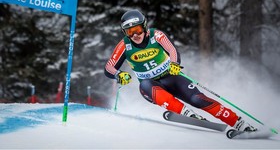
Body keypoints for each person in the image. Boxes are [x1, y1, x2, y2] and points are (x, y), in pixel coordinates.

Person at [104, 9, 257, 132]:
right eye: (130, 32)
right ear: (125, 33)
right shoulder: (124, 45)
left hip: (171, 77)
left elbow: (172, 50)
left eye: (137, 29)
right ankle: (187, 113)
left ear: (144, 26)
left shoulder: (156, 35)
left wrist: (174, 63)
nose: (135, 35)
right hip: (151, 86)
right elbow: (109, 67)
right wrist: (119, 75)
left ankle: (239, 123)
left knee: (198, 99)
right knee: (144, 85)